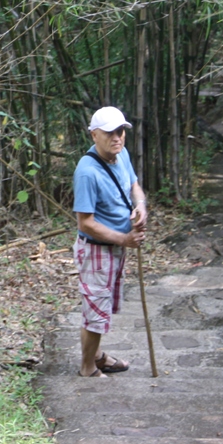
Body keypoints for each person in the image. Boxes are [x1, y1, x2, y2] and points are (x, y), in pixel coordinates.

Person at [72, 106, 148, 377]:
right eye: (109, 133)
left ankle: (98, 356)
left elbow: (134, 186)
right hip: (96, 250)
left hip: (116, 247)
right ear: (94, 135)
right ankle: (88, 368)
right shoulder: (86, 172)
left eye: (120, 131)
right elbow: (86, 223)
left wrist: (141, 208)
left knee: (102, 307)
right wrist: (125, 239)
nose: (117, 137)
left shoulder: (121, 154)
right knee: (95, 311)